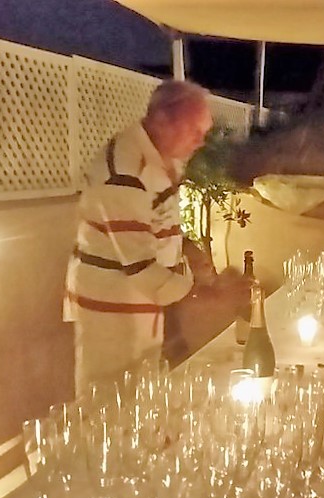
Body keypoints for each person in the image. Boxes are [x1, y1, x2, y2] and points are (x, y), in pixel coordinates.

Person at [65, 80, 218, 394]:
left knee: (142, 390)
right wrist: (201, 293)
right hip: (113, 309)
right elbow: (141, 268)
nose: (201, 142)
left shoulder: (159, 159)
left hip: (141, 303)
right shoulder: (125, 173)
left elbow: (155, 221)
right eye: (194, 131)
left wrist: (187, 246)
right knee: (109, 401)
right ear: (161, 120)